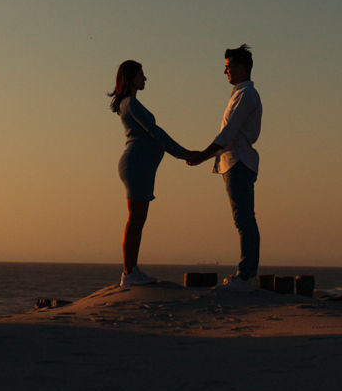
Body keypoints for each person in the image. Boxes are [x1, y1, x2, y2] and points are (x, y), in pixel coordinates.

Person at [185, 44, 262, 290]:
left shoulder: (246, 95)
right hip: (233, 162)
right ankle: (246, 273)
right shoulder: (240, 94)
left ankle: (246, 275)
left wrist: (202, 156)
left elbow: (228, 134)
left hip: (238, 161)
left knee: (244, 219)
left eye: (228, 67)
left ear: (241, 67)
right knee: (243, 219)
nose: (225, 71)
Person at [109, 60, 190, 288]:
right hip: (137, 165)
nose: (145, 79)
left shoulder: (130, 103)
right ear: (132, 78)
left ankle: (132, 270)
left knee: (137, 219)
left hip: (141, 166)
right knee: (135, 219)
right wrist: (182, 153)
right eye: (141, 75)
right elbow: (154, 132)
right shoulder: (130, 103)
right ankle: (129, 272)